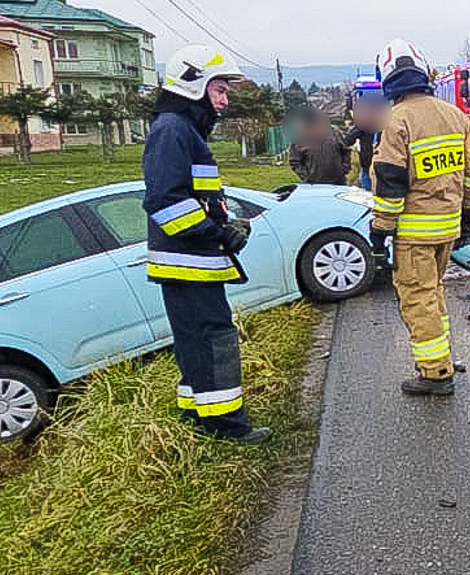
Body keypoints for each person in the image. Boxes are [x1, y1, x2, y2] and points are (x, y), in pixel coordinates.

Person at [141, 44, 270, 444]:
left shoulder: (181, 130)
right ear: (194, 85)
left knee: (196, 342)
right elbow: (165, 202)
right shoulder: (173, 131)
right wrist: (216, 234)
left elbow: (195, 199)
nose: (225, 101)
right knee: (214, 340)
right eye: (220, 90)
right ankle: (226, 426)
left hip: (190, 261)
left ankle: (196, 413)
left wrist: (226, 223)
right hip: (188, 262)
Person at [369, 38, 470, 396]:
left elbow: (390, 184)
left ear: (388, 80)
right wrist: (466, 220)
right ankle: (443, 358)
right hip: (447, 230)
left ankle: (436, 373)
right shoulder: (455, 116)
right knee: (433, 294)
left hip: (414, 234)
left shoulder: (397, 121)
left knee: (418, 298)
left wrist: (380, 232)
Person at [288, 107, 351, 185]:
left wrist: (344, 168)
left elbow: (345, 151)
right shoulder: (299, 138)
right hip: (313, 185)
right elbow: (295, 161)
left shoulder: (334, 133)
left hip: (338, 182)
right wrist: (307, 176)